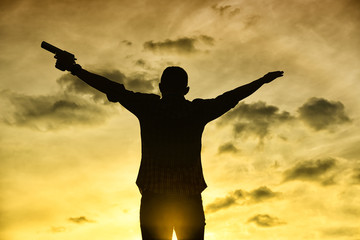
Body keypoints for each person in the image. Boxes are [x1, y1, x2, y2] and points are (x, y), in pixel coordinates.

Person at [54, 56, 283, 240]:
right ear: (186, 89)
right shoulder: (196, 111)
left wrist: (75, 69)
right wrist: (261, 81)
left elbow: (112, 88)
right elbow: (230, 98)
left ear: (161, 87)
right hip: (189, 201)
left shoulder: (149, 107)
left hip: (155, 201)